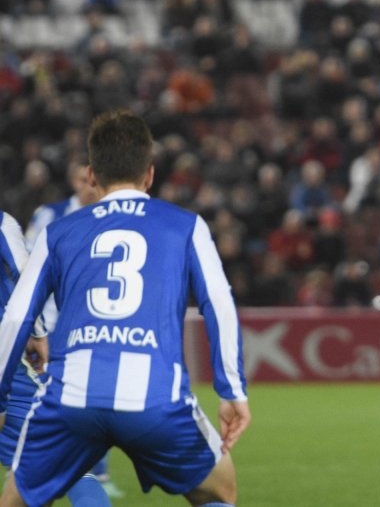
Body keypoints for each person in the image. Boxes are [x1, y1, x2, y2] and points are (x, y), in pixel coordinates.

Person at [0, 110, 251, 507]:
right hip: (155, 401)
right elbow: (219, 303)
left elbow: (16, 317)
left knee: (15, 498)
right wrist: (231, 390)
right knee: (220, 491)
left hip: (70, 402)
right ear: (150, 174)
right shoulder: (186, 226)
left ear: (92, 177)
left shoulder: (59, 232)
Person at [19, 160, 122, 501]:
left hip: (94, 325)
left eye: (91, 179)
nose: (89, 186)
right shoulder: (51, 215)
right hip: (49, 329)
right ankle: (77, 474)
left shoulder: (116, 218)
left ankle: (95, 473)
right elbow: (27, 265)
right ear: (75, 180)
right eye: (81, 179)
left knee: (95, 397)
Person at [3, 209, 111, 507]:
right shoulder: (3, 223)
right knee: (66, 462)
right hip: (8, 361)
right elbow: (24, 279)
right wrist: (37, 333)